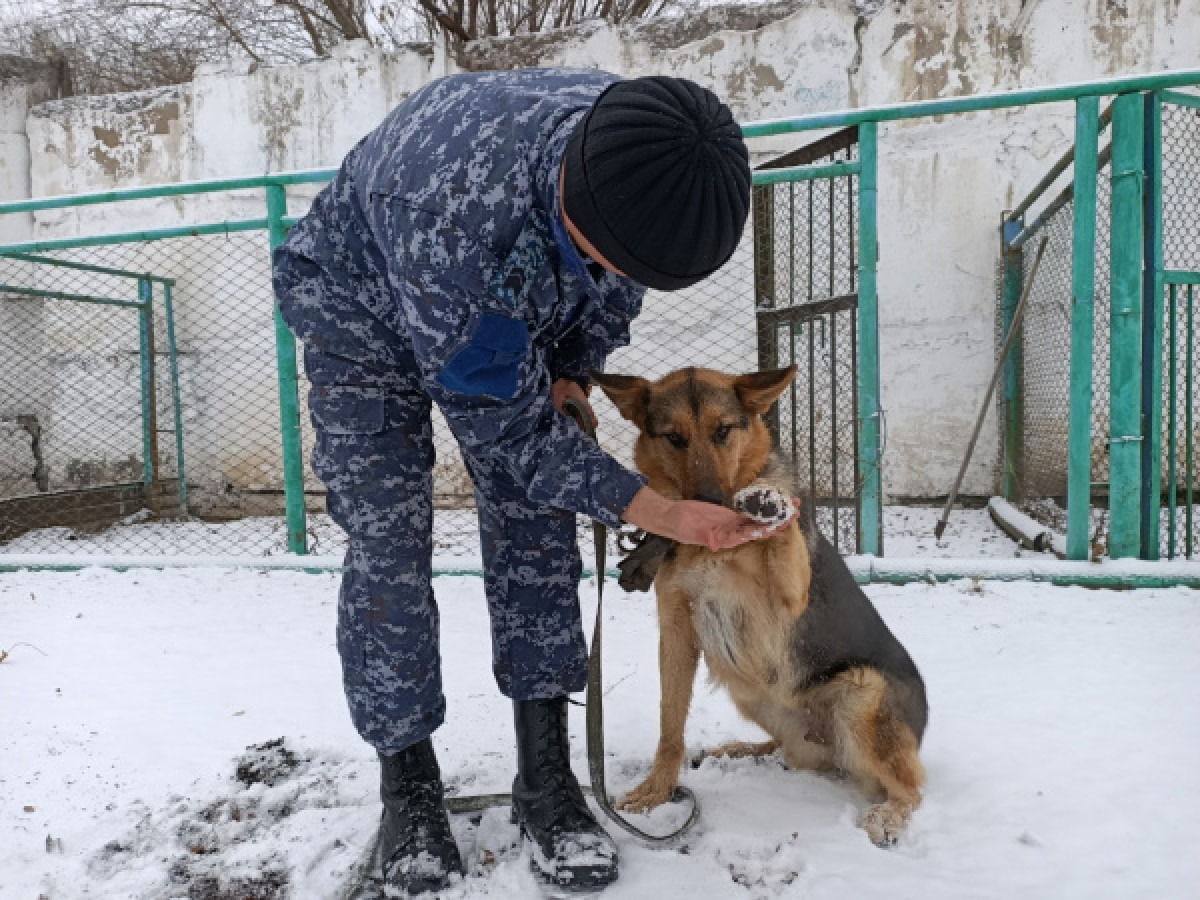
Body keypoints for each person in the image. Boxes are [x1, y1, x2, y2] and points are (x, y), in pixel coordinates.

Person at [273, 68, 772, 895]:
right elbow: (508, 434)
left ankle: (546, 777)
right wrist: (653, 508)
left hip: (496, 295)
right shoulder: (453, 219)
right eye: (612, 258)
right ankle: (408, 788)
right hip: (361, 314)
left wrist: (572, 368)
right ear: (581, 203)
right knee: (389, 542)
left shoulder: (641, 151)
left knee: (537, 524)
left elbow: (606, 298)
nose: (622, 275)